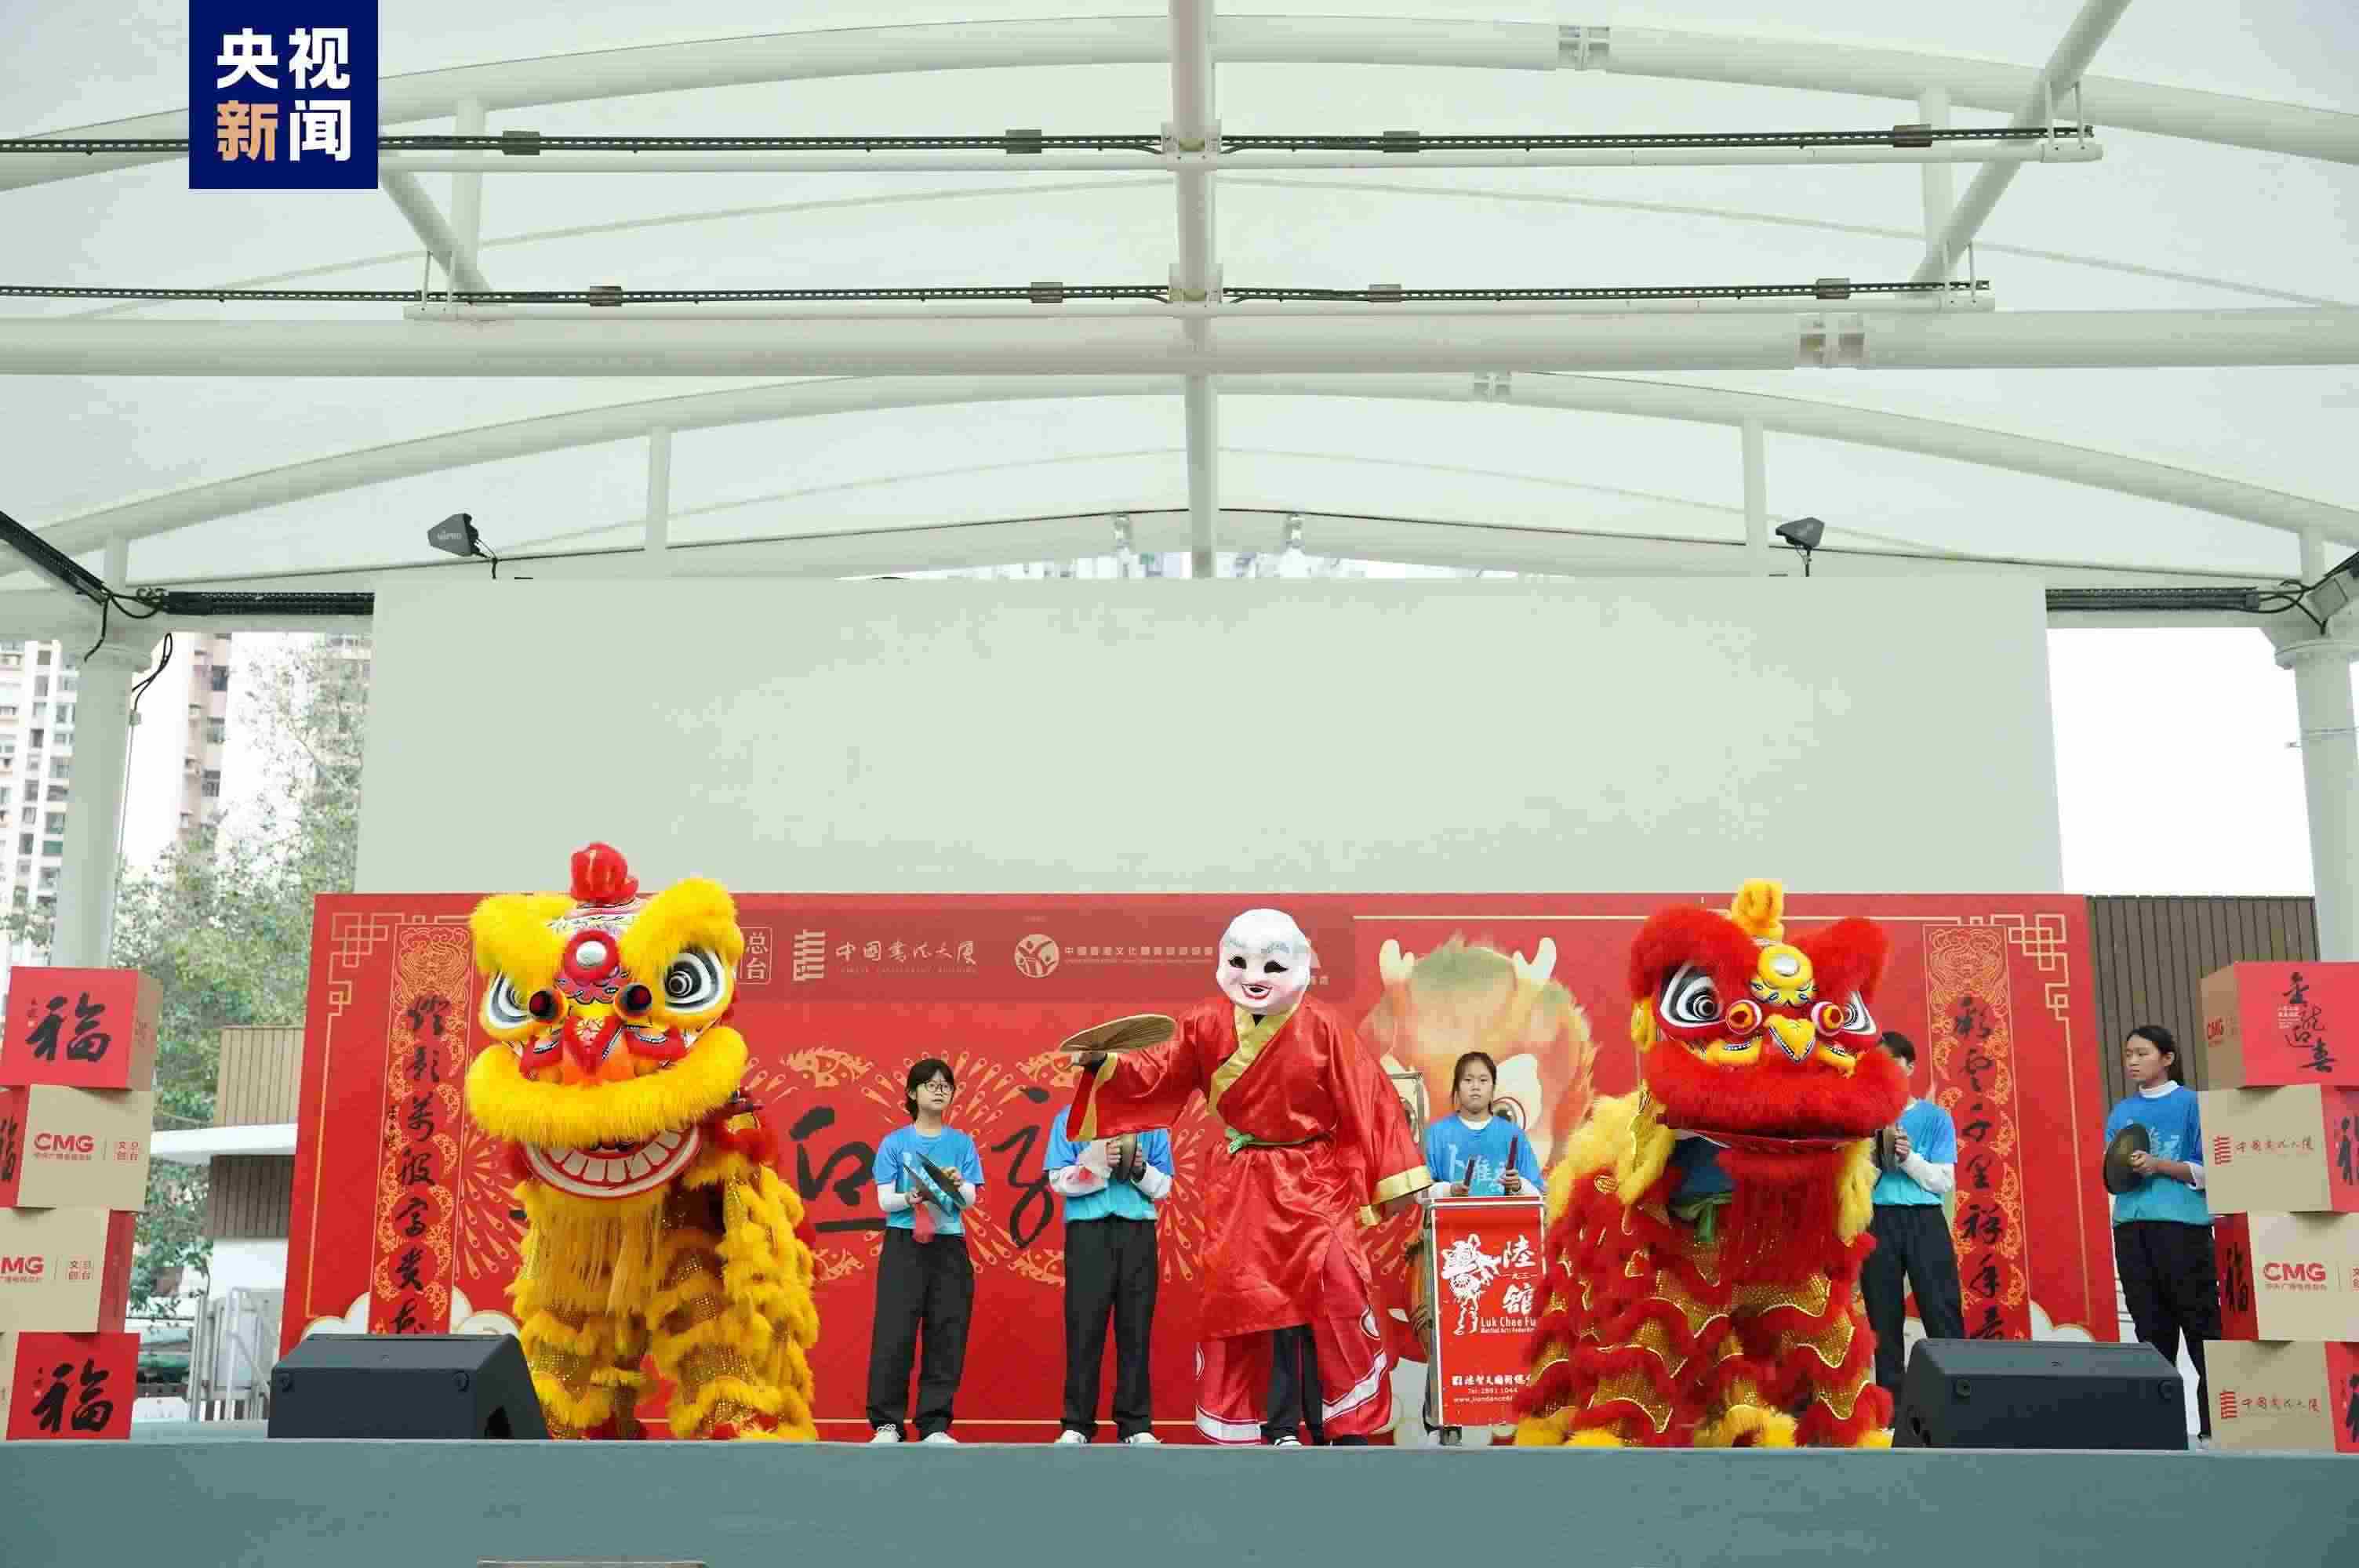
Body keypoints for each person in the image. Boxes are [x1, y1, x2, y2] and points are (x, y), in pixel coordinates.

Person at [1069, 908, 1432, 1445]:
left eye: (1272, 965)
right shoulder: (1205, 1023)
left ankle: (1345, 1423)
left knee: (1339, 1291)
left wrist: (1398, 1174)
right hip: (1245, 1184)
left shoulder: (1324, 1026)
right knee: (1260, 1304)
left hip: (1314, 1177)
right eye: (1240, 962)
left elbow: (1369, 1097)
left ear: (1300, 965)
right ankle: (1276, 1425)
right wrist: (1105, 1065)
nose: (1255, 977)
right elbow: (1157, 1072)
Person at [1417, 1051, 1543, 1445]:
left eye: (1483, 1080)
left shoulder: (1511, 1137)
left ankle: (1516, 1416)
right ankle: (1444, 1420)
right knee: (1448, 1333)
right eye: (1468, 1080)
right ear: (1457, 1088)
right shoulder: (1437, 1135)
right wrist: (1448, 1191)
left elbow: (1539, 1192)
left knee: (1500, 1335)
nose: (1475, 1087)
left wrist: (1517, 1186)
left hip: (1501, 1254)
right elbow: (1420, 1190)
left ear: (1493, 1088)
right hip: (1450, 1252)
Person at [2103, 1024, 2219, 1445]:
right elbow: (2112, 1174)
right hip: (2132, 1229)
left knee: (2201, 1328)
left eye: (2143, 1053)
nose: (2133, 1062)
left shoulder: (2193, 1106)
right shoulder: (2121, 1113)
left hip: (2183, 1230)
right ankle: (2158, 1432)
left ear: (2167, 1058)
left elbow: (2211, 1170)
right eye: (2128, 1054)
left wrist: (2160, 1166)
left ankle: (2214, 1430)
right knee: (2150, 1332)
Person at [867, 1058, 984, 1445]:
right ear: (912, 1093)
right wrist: (911, 1197)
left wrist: (955, 1184)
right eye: (931, 1085)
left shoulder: (962, 1143)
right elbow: (885, 1201)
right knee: (894, 1333)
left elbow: (969, 1200)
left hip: (949, 1246)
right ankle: (887, 1424)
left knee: (947, 1333)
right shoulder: (894, 1143)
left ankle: (934, 1424)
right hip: (904, 1245)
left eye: (946, 1085)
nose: (939, 1091)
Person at [1045, 1123, 1176, 1445]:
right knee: (1084, 1329)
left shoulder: (1152, 1124)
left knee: (1136, 1330)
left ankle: (1136, 1424)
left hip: (1138, 1231)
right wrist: (1098, 1162)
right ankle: (1077, 1423)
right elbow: (1058, 1181)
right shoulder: (1072, 1120)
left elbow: (1163, 1186)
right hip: (1087, 1232)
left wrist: (1139, 1168)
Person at [1858, 1031, 1965, 1397]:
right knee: (1883, 1318)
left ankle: (1957, 1400)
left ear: (1910, 1066)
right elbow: (1855, 1183)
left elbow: (1942, 1181)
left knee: (1941, 1310)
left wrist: (1907, 1158)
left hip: (1925, 1221)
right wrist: (1877, 1154)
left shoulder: (1935, 1118)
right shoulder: (1862, 1119)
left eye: (1893, 1062)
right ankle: (1892, 1409)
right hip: (1878, 1221)